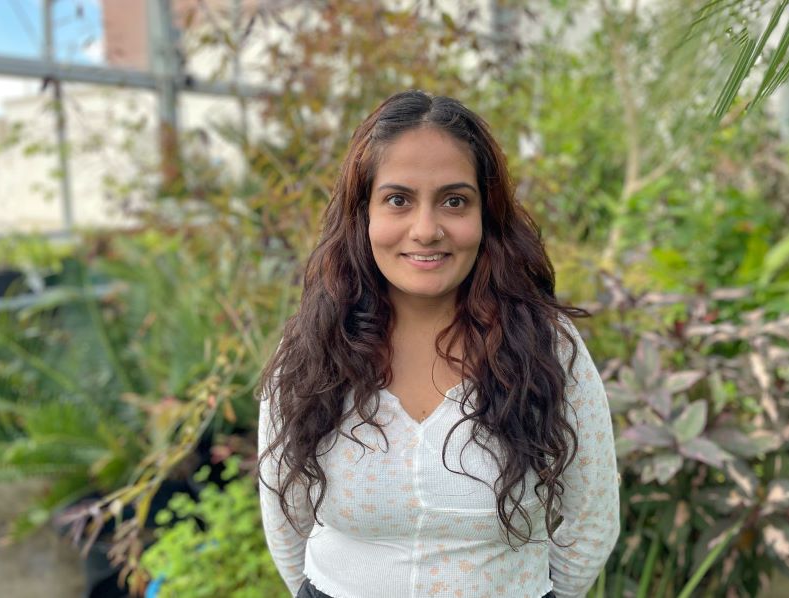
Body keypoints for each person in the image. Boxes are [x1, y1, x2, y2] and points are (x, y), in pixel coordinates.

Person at [258, 90, 619, 598]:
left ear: (486, 215)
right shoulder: (311, 350)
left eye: (454, 201)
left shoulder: (548, 349)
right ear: (363, 214)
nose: (426, 230)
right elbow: (286, 519)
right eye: (398, 200)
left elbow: (591, 522)